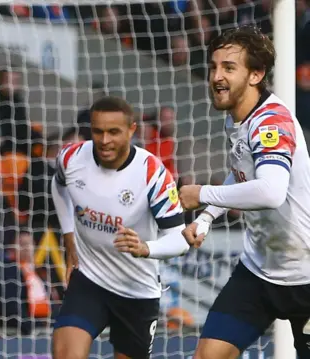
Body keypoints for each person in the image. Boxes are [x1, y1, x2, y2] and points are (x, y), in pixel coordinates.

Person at [178, 25, 310, 359]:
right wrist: (207, 218)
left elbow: (270, 192)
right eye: (213, 67)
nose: (216, 77)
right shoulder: (239, 117)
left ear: (256, 75)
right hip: (258, 272)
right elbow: (241, 173)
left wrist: (202, 194)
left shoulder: (270, 123)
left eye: (228, 68)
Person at [50, 96, 191, 359]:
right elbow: (58, 185)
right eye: (98, 131)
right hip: (90, 280)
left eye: (113, 132)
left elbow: (180, 240)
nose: (104, 141)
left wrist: (145, 248)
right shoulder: (71, 158)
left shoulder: (152, 174)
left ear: (131, 130)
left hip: (136, 290)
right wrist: (69, 236)